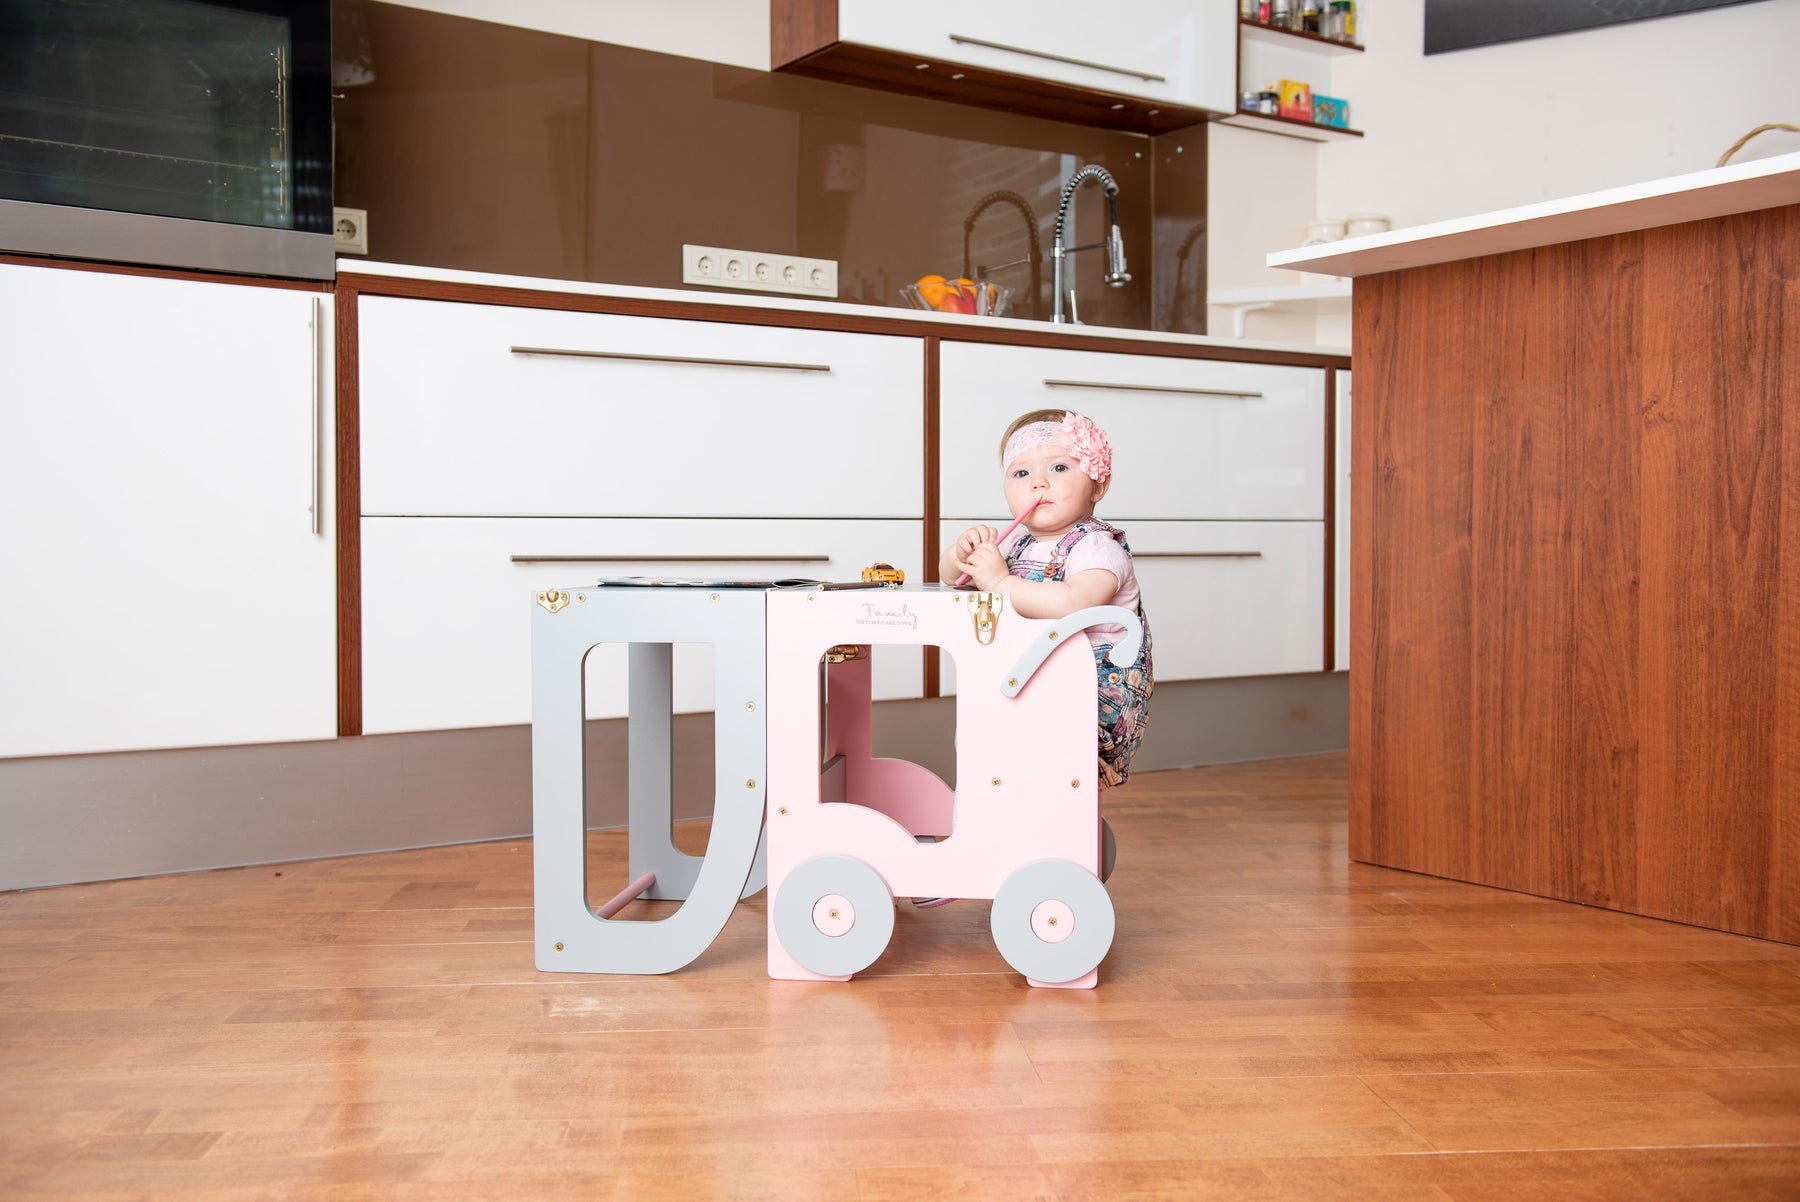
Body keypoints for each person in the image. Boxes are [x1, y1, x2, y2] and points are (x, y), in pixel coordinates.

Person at [939, 408, 1153, 789]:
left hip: (1088, 702)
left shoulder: (1096, 548)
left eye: (1058, 468)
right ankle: (1007, 802)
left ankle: (1026, 804)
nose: (1039, 483)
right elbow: (954, 579)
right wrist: (961, 553)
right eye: (1021, 473)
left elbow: (1073, 603)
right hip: (1034, 683)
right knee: (979, 737)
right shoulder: (1017, 543)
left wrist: (999, 581)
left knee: (998, 740)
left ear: (1098, 485)